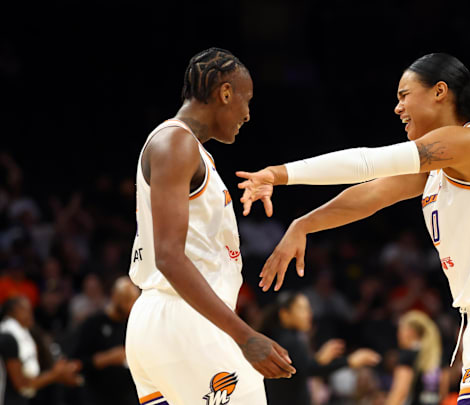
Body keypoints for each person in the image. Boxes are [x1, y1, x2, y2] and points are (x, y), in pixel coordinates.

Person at [238, 53, 470, 404]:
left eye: (403, 95)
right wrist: (304, 223)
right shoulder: (439, 169)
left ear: (439, 91)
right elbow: (370, 195)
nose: (398, 108)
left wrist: (278, 173)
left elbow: (368, 161)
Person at [125, 47, 295, 405]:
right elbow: (169, 257)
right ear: (225, 92)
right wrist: (246, 336)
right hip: (185, 322)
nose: (247, 114)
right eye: (246, 101)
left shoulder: (186, 148)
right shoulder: (176, 142)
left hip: (161, 323)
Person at [260, 291, 380, 405]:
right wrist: (350, 361)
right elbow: (309, 369)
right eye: (302, 309)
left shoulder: (280, 338)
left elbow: (301, 369)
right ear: (285, 314)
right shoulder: (288, 341)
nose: (309, 314)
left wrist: (318, 360)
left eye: (308, 308)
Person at [72, 276, 140, 405]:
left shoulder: (136, 324)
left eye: (132, 300)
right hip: (98, 396)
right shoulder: (93, 323)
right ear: (114, 296)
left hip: (130, 397)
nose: (129, 304)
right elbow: (77, 363)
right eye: (125, 299)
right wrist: (108, 358)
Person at [0, 296, 80, 405]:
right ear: (12, 312)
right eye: (25, 310)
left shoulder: (28, 334)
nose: (30, 315)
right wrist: (55, 375)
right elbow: (21, 385)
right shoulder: (7, 337)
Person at [386, 310, 442, 405]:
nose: (398, 335)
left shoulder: (408, 355)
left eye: (400, 330)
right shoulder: (436, 355)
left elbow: (400, 392)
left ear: (410, 332)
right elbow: (442, 393)